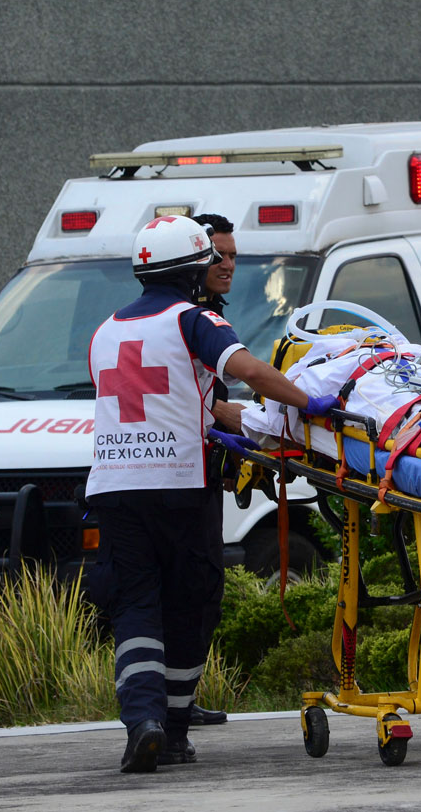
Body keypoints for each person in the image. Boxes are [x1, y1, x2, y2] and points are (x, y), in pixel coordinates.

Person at [86, 214, 337, 773]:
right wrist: (306, 402)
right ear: (191, 271)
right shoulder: (193, 320)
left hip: (115, 490)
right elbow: (246, 368)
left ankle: (143, 722)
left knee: (135, 606)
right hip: (180, 485)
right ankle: (173, 732)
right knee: (191, 601)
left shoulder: (105, 331)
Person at [186, 212, 239, 728]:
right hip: (181, 473)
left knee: (203, 586)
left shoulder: (210, 311)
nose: (226, 264)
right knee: (194, 585)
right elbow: (205, 405)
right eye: (216, 255)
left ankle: (180, 696)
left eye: (232, 255)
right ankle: (173, 700)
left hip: (202, 468)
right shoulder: (191, 317)